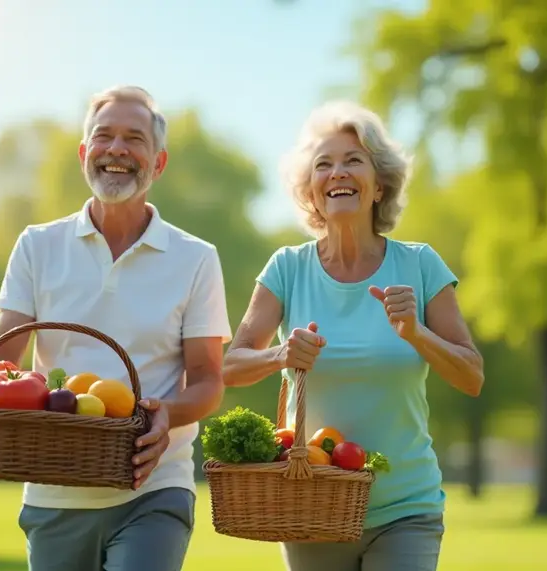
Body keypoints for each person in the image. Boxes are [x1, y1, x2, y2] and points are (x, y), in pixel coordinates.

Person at [0, 85, 232, 571]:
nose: (117, 149)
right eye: (104, 136)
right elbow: (1, 358)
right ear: (83, 154)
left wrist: (164, 415)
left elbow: (206, 380)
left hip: (151, 487)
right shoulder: (38, 245)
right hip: (53, 489)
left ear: (157, 163)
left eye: (134, 138)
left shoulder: (196, 258)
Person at [222, 101, 484, 571]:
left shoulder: (420, 265)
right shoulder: (287, 268)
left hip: (406, 507)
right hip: (313, 503)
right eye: (324, 164)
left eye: (352, 160)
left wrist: (416, 333)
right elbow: (231, 365)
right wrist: (282, 354)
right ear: (311, 192)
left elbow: (472, 376)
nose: (337, 172)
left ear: (379, 184)